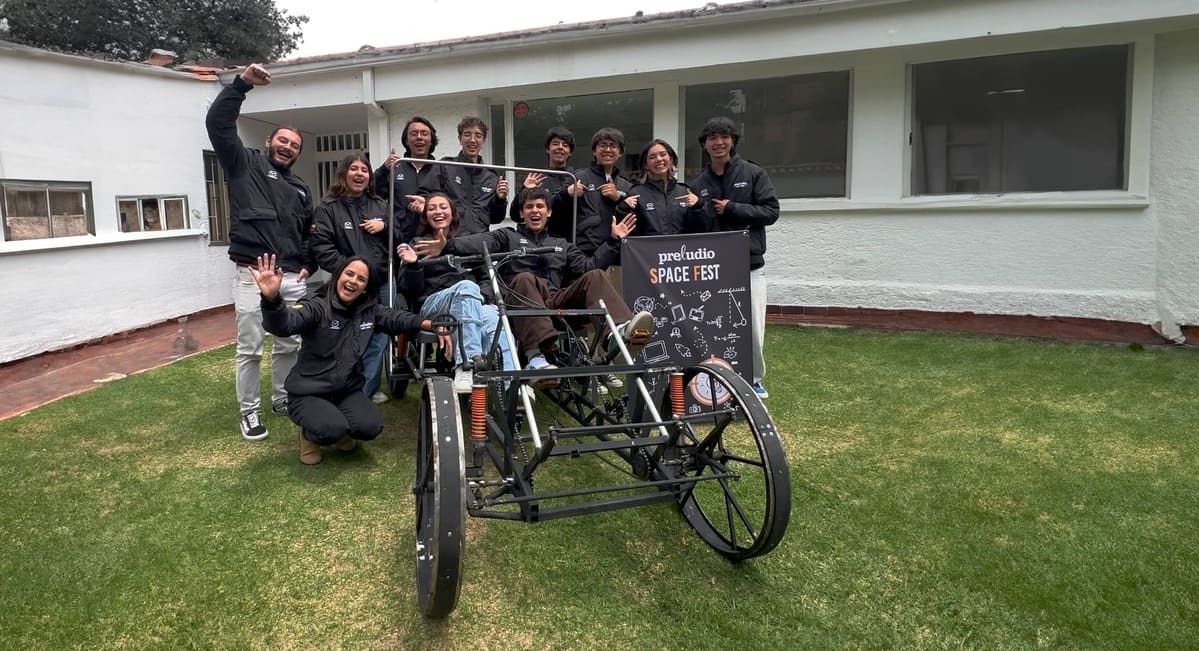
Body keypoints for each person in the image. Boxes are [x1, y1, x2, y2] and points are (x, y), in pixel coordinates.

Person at [253, 253, 452, 465]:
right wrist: (272, 300)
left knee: (369, 427)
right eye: (349, 274)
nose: (353, 281)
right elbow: (284, 325)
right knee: (331, 429)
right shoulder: (316, 305)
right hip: (308, 393)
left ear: (366, 287)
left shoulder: (369, 310)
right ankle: (309, 436)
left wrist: (429, 324)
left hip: (345, 391)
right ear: (338, 275)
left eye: (361, 279)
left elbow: (398, 318)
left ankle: (339, 427)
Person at [441, 188, 649, 389]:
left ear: (548, 212)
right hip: (519, 303)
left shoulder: (561, 244)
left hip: (554, 301)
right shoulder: (507, 236)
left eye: (540, 206)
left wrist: (613, 241)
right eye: (529, 207)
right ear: (521, 213)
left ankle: (616, 334)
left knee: (595, 276)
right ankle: (536, 357)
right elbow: (477, 242)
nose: (535, 211)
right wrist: (447, 245)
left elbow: (589, 266)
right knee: (525, 278)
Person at [206, 62, 315, 441]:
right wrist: (240, 86)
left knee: (288, 343)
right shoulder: (243, 164)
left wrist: (305, 263)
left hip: (289, 277)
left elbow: (306, 232)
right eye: (282, 141)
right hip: (252, 273)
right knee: (250, 347)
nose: (287, 147)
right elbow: (218, 125)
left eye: (295, 145)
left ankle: (282, 398)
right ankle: (249, 413)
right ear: (269, 142)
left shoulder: (301, 187)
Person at [689, 117, 780, 399]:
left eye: (723, 136)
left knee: (751, 328)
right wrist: (698, 208)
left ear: (733, 141)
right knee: (713, 326)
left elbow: (770, 212)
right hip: (713, 269)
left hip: (749, 266)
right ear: (704, 145)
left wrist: (732, 208)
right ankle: (715, 376)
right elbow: (694, 227)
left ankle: (753, 379)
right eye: (712, 137)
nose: (718, 142)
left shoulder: (753, 173)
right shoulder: (697, 183)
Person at [396, 192, 515, 394]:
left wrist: (482, 299)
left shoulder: (466, 244)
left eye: (443, 207)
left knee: (491, 315)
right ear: (425, 215)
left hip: (471, 302)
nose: (438, 211)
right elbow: (410, 291)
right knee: (467, 287)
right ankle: (466, 365)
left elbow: (487, 278)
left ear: (452, 213)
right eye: (432, 208)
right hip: (433, 304)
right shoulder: (417, 244)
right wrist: (414, 265)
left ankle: (511, 382)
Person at [310, 152, 398, 404]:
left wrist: (385, 226)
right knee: (344, 337)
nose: (359, 174)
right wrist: (350, 276)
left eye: (364, 170)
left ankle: (365, 392)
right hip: (348, 286)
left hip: (381, 283)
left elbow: (399, 236)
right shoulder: (327, 209)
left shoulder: (381, 205)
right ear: (343, 174)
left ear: (370, 176)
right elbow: (322, 249)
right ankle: (341, 388)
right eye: (354, 169)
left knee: (377, 336)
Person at [618, 139, 710, 237]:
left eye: (663, 154)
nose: (659, 159)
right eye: (652, 157)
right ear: (645, 165)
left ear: (671, 159)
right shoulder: (636, 193)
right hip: (649, 251)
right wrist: (622, 210)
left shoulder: (684, 191)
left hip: (682, 250)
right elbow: (627, 234)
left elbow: (702, 229)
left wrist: (699, 206)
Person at [373, 116, 441, 245]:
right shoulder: (395, 167)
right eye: (414, 134)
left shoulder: (440, 170)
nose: (419, 137)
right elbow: (375, 195)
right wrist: (383, 170)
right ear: (406, 140)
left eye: (424, 134)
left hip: (432, 237)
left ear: (431, 140)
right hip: (398, 237)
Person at [569, 128, 633, 258]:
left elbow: (635, 216)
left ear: (620, 152)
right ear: (594, 150)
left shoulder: (627, 185)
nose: (608, 150)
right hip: (585, 252)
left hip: (618, 251)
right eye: (602, 145)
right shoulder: (577, 178)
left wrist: (619, 197)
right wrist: (567, 194)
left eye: (613, 146)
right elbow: (557, 212)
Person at [439, 117, 509, 235]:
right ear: (459, 139)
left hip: (479, 242)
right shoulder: (445, 167)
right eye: (467, 134)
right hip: (450, 239)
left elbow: (495, 219)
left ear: (483, 141)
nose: (472, 140)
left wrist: (500, 200)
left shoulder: (491, 176)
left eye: (478, 135)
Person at [510, 126, 577, 238]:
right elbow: (516, 215)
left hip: (568, 244)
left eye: (565, 145)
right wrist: (524, 189)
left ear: (570, 152)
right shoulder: (537, 178)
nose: (560, 147)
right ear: (547, 149)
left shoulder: (575, 179)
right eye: (555, 143)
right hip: (540, 242)